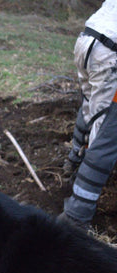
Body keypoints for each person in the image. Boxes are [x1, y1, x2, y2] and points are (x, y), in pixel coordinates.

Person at [59, 0, 117, 231]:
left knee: (91, 109)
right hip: (111, 54)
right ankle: (75, 218)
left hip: (87, 41)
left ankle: (73, 162)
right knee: (108, 134)